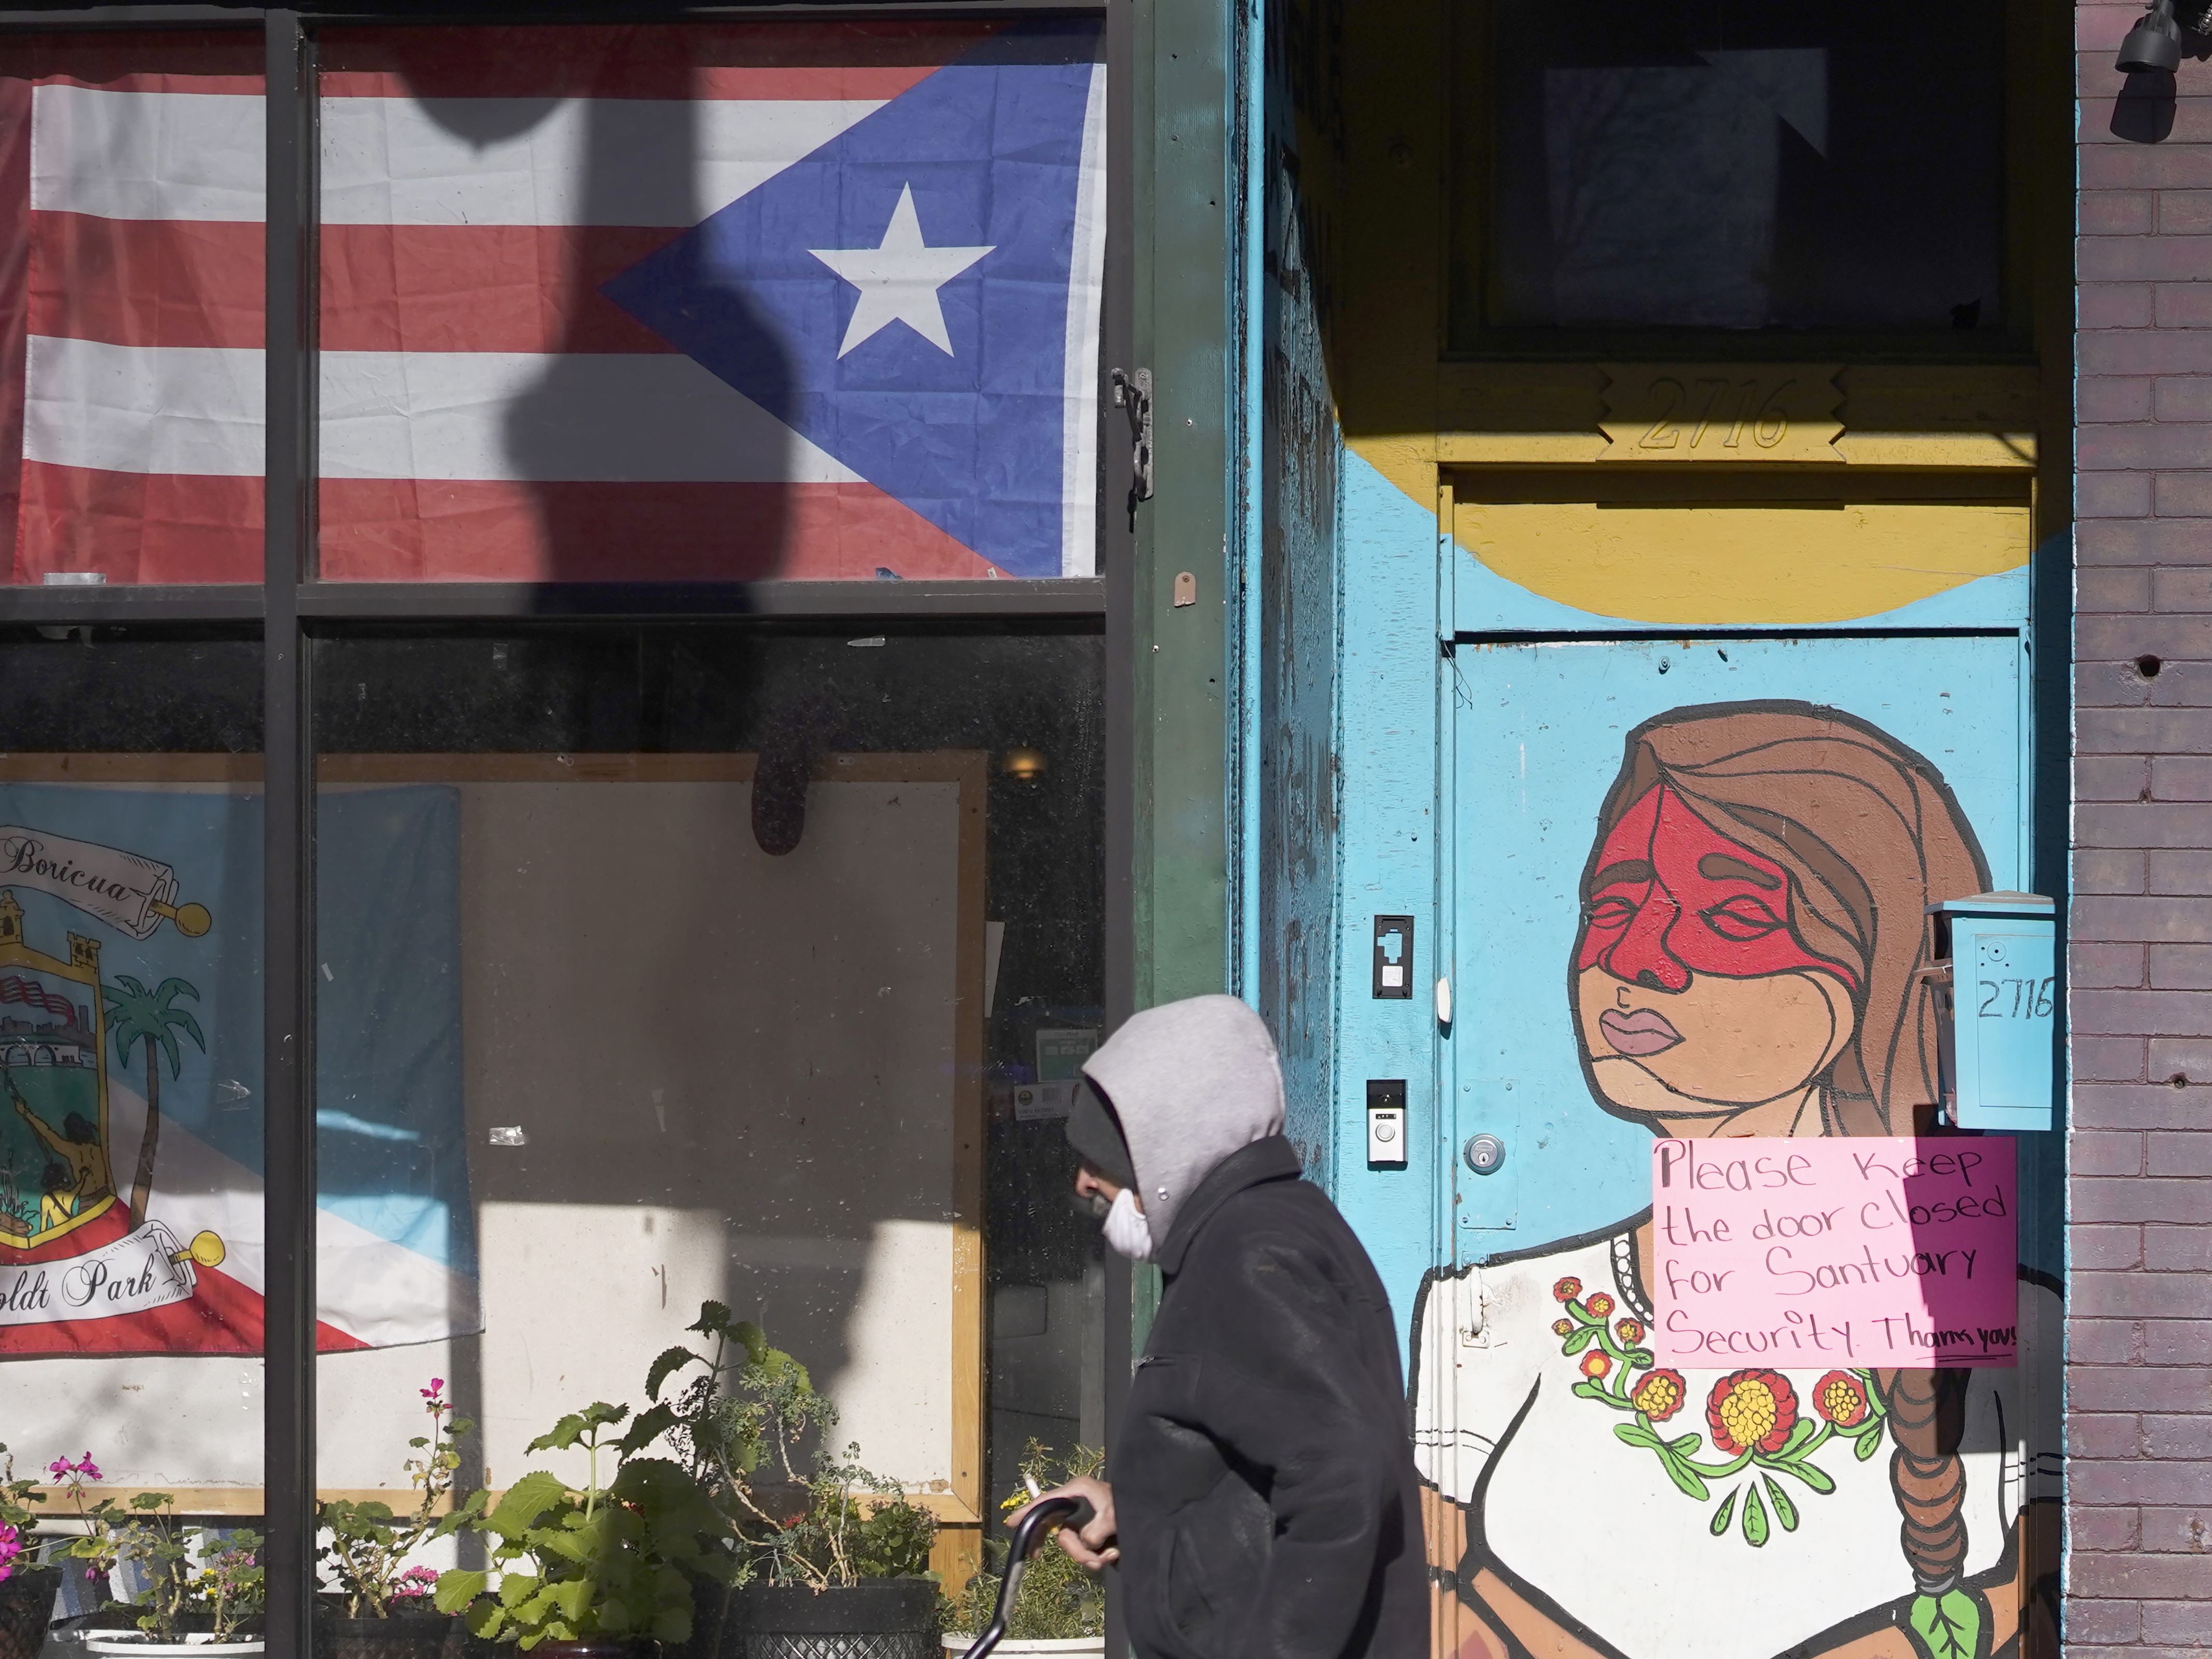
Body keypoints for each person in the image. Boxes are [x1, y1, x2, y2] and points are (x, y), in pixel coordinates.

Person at [1412, 704, 2061, 1659]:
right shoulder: (1488, 1318)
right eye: (1615, 903)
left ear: (1871, 976)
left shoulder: (2015, 1327)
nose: (1632, 958)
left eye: (1736, 914)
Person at [1015, 994, 1426, 1659]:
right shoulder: (1267, 1232)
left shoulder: (1246, 1255)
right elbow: (1259, 1471)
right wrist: (1135, 1511)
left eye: (1105, 1154)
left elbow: (1339, 1476)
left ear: (1170, 1140)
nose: (1084, 1180)